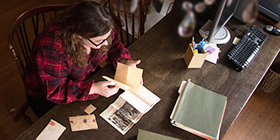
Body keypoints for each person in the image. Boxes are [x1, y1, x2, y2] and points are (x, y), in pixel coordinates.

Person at [24, 1, 141, 118]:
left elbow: (114, 46)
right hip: (47, 92)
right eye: (99, 41)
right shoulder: (52, 48)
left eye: (108, 36)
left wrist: (124, 61)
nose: (105, 43)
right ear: (79, 36)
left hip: (83, 75)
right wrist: (93, 89)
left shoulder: (102, 28)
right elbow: (56, 91)